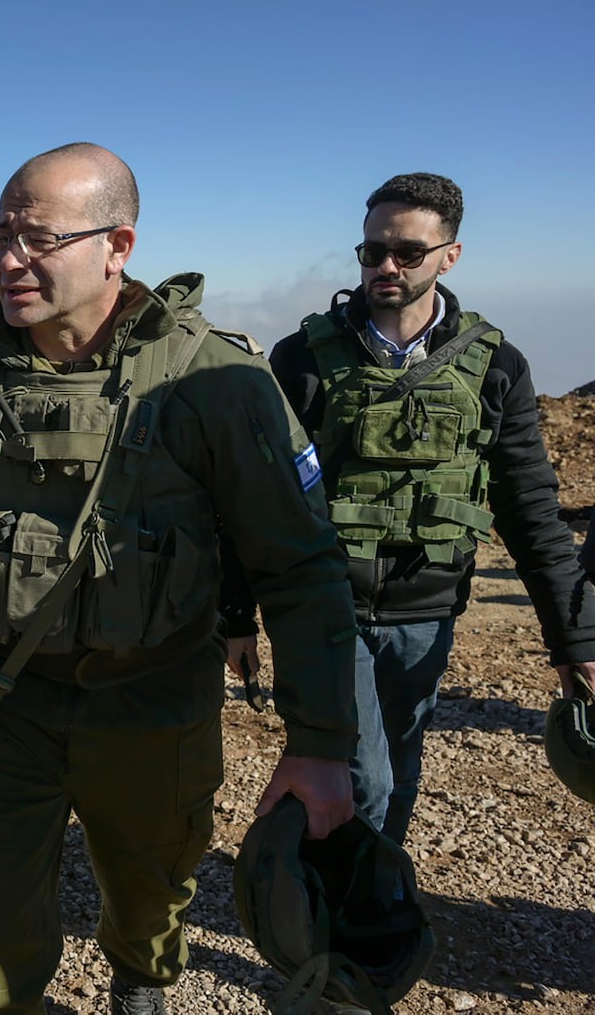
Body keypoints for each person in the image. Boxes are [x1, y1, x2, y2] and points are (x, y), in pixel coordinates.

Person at [0, 143, 359, 1015]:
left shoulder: (219, 381)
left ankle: (140, 985)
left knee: (152, 892)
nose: (10, 259)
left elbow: (300, 566)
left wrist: (319, 743)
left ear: (117, 245)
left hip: (155, 699)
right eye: (1, 234)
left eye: (38, 238)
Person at [240, 172, 595, 845]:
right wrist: (235, 611)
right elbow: (254, 496)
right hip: (326, 604)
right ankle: (334, 927)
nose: (386, 266)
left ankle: (369, 899)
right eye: (372, 251)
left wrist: (574, 638)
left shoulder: (495, 368)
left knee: (399, 771)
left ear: (450, 255)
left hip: (429, 610)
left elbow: (530, 509)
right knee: (361, 776)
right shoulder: (305, 360)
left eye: (408, 252)